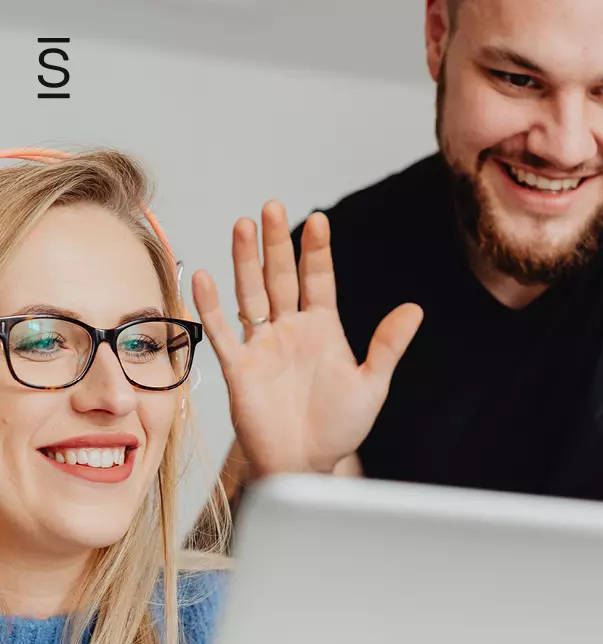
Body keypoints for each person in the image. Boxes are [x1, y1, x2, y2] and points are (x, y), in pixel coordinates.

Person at [216, 0, 603, 512]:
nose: (565, 147)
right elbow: (200, 584)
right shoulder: (327, 276)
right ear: (438, 36)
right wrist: (292, 482)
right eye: (517, 80)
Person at [0, 148, 422, 643]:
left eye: (141, 343)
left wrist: (293, 483)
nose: (116, 396)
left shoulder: (223, 619)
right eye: (44, 340)